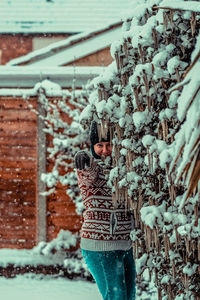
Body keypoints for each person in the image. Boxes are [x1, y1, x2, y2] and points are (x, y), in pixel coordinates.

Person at [75, 121, 136, 300]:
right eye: (99, 145)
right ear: (93, 146)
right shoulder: (93, 167)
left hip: (125, 245)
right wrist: (83, 159)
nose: (105, 150)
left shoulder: (125, 167)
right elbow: (87, 175)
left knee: (128, 296)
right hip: (100, 246)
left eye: (109, 145)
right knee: (116, 297)